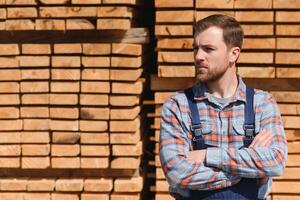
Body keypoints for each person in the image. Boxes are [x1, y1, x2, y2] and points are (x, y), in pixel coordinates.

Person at [159, 14, 287, 200]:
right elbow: (177, 172)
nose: (198, 56)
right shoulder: (178, 105)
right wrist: (248, 166)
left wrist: (208, 156)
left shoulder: (262, 103)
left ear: (233, 54)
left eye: (208, 49)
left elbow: (275, 162)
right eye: (196, 49)